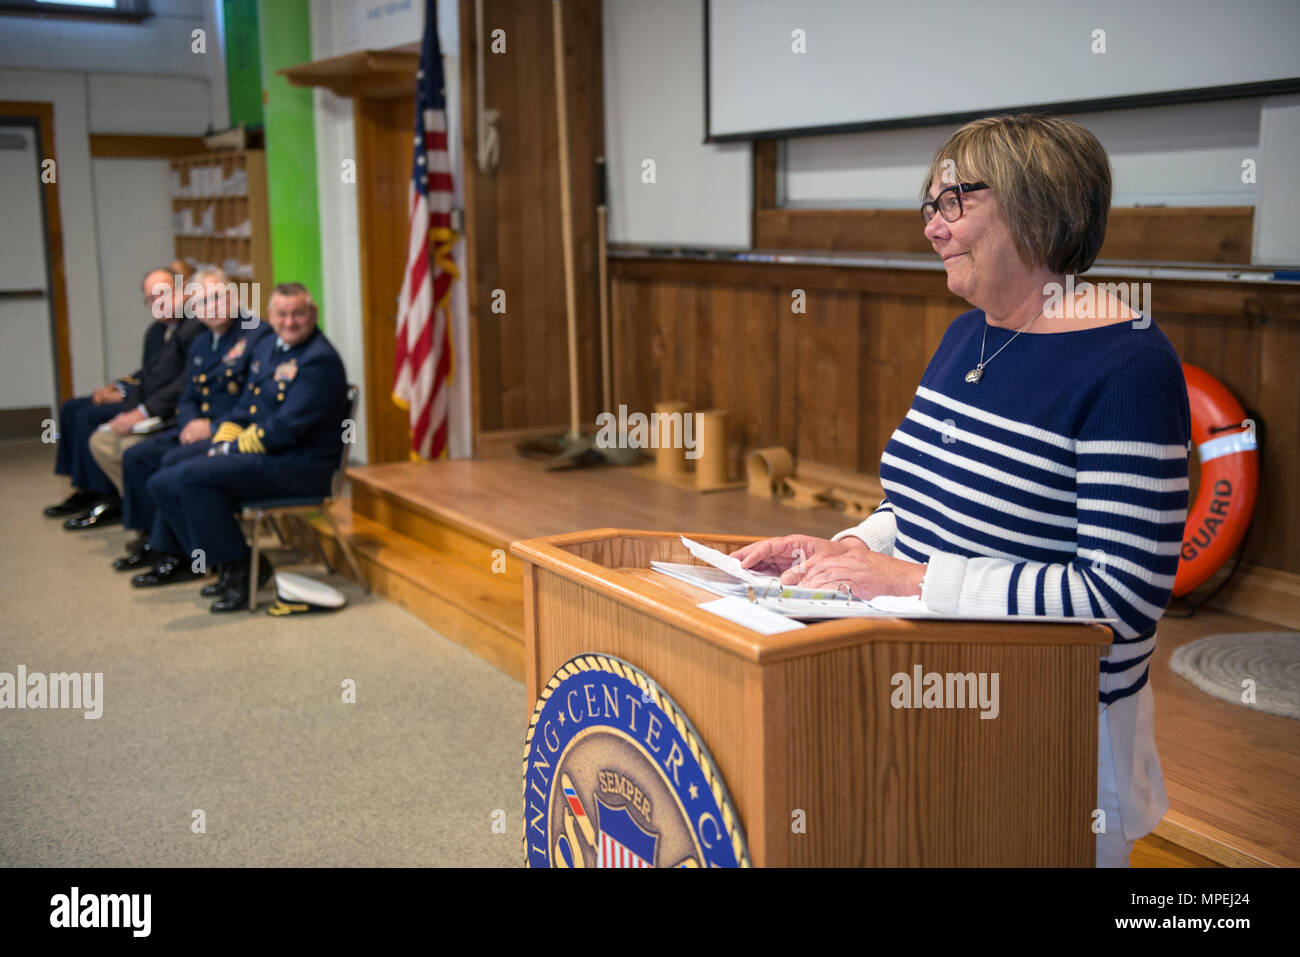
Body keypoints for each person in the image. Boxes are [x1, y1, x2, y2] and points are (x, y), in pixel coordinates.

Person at [733, 114, 1191, 869]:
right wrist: (848, 549)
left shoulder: (1129, 367)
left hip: (1051, 739)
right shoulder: (966, 336)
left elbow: (1121, 598)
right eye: (930, 207)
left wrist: (911, 578)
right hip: (928, 699)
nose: (934, 229)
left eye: (955, 203)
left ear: (1040, 206)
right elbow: (915, 507)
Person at [140, 283, 349, 612]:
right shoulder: (271, 348)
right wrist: (223, 440)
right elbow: (245, 407)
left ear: (314, 314)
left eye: (299, 313)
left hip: (300, 466)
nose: (290, 321)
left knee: (194, 478)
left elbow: (285, 429)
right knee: (164, 475)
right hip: (266, 454)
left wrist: (228, 451)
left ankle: (239, 567)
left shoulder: (318, 360)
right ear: (271, 315)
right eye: (282, 313)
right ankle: (222, 561)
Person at [113, 268, 270, 573]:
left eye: (217, 298)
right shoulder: (201, 342)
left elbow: (256, 399)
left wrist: (210, 427)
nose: (211, 307)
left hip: (232, 432)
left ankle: (183, 555)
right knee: (137, 457)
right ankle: (153, 543)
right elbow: (187, 395)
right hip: (195, 429)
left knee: (172, 463)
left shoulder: (255, 335)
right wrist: (188, 423)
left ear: (234, 297)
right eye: (202, 302)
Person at [44, 267, 201, 529]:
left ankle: (106, 497)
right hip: (146, 401)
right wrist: (120, 389)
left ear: (182, 292)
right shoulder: (155, 332)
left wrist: (135, 407)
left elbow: (181, 382)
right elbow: (147, 373)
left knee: (87, 417)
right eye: (151, 299)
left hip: (164, 409)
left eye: (164, 294)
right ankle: (87, 489)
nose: (158, 303)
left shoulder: (192, 329)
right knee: (72, 407)